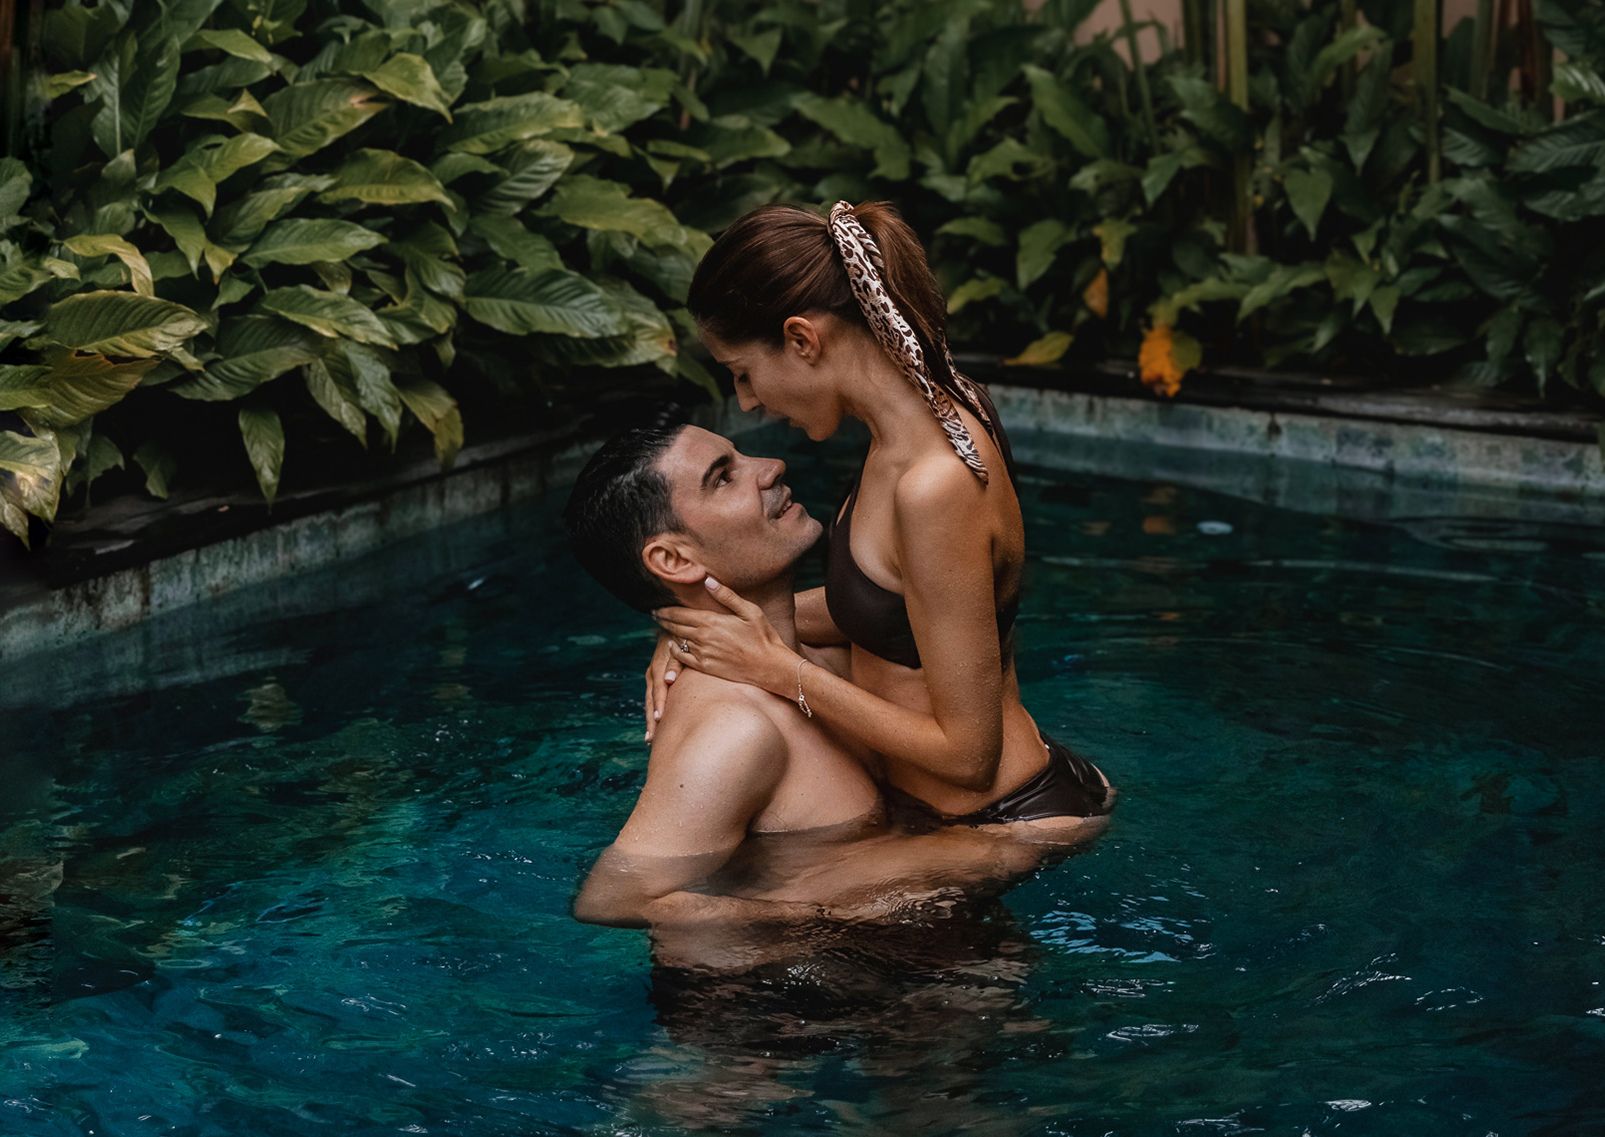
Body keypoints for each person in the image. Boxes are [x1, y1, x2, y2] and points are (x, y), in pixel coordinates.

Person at [648, 200, 1115, 832]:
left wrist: (780, 671)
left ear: (801, 339)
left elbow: (968, 757)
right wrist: (695, 629)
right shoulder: (927, 413)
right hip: (961, 808)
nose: (749, 401)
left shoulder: (934, 486)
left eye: (743, 374)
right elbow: (894, 605)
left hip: (996, 818)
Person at [562, 422, 1059, 938]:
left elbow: (934, 608)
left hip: (911, 967)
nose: (771, 467)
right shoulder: (734, 728)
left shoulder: (819, 657)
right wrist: (824, 914)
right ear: (674, 560)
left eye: (740, 455)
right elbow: (614, 897)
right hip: (799, 1006)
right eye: (723, 478)